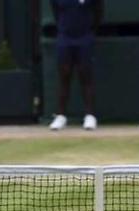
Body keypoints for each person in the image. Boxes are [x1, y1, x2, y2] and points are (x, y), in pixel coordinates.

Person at [48, 0, 102, 131]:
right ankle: (60, 116)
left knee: (86, 75)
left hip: (85, 37)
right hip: (65, 38)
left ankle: (90, 116)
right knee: (64, 75)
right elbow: (56, 13)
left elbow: (99, 13)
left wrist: (90, 31)